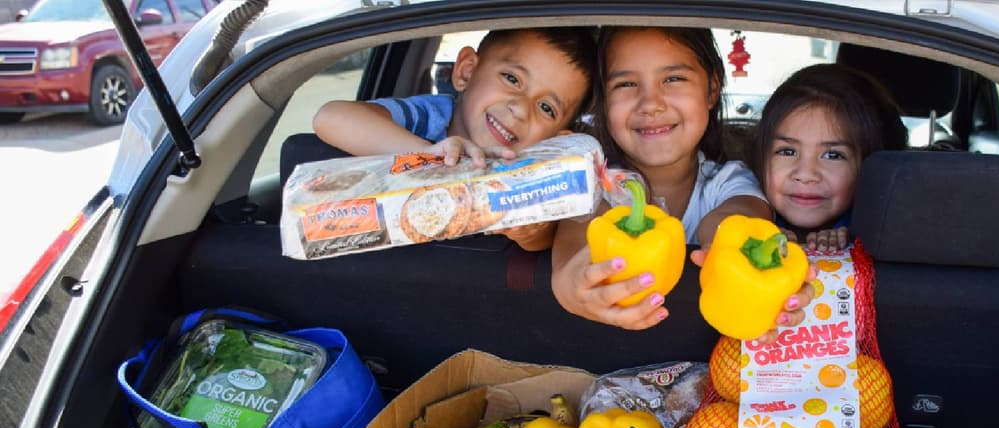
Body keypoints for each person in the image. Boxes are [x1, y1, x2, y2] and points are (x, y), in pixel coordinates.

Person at [550, 27, 813, 340]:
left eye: (673, 79)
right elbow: (573, 251)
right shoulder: (592, 182)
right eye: (626, 84)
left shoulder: (729, 180)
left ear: (712, 88)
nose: (650, 103)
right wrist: (569, 287)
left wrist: (738, 253)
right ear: (604, 102)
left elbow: (738, 219)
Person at [312, 28, 596, 251]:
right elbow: (330, 117)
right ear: (466, 71)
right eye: (511, 79)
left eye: (546, 108)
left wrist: (529, 234)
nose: (521, 109)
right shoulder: (430, 117)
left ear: (558, 139)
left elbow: (544, 238)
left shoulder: (535, 172)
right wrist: (431, 157)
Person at [751, 63, 907, 251]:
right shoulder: (742, 212)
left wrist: (852, 238)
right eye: (787, 151)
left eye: (833, 155)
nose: (806, 174)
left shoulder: (886, 232)